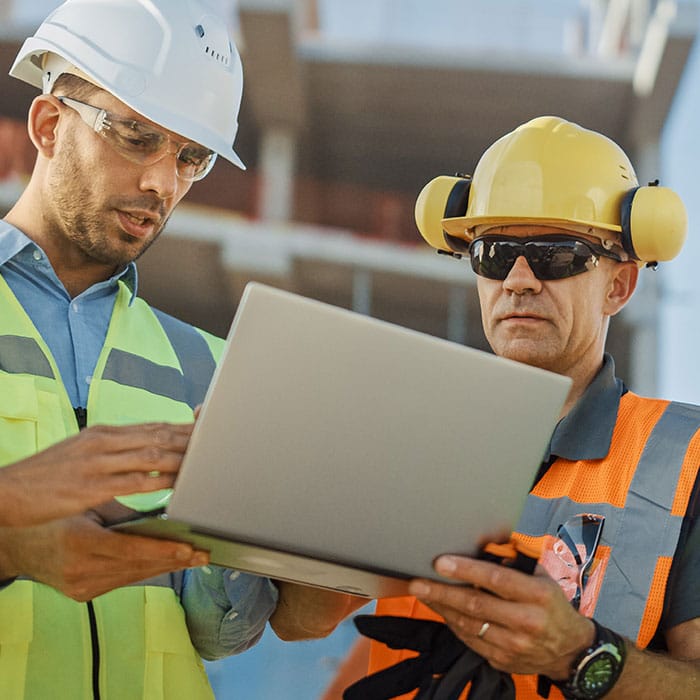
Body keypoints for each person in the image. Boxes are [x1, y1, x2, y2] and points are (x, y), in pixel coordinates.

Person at [278, 116, 700, 700]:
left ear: (620, 286)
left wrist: (578, 654)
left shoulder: (685, 457)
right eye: (495, 252)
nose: (519, 280)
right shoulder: (414, 437)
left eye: (556, 254)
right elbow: (299, 621)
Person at [0, 1, 278, 698]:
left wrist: (308, 566)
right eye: (135, 137)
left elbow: (218, 634)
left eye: (191, 157)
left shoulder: (211, 367)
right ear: (48, 125)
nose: (163, 183)